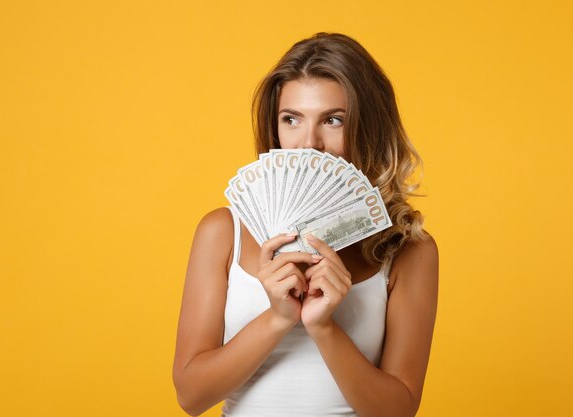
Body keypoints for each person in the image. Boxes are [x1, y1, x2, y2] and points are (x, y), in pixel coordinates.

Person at [172, 32, 439, 417]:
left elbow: (397, 411)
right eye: (291, 119)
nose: (307, 143)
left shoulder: (407, 249)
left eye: (333, 120)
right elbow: (191, 397)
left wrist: (324, 327)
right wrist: (278, 319)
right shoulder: (222, 232)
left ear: (370, 128)